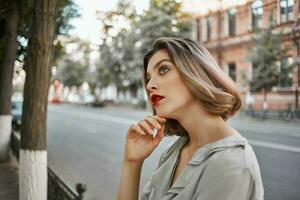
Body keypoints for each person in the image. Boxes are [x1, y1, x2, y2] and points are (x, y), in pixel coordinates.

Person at [117, 37, 264, 200]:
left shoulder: (231, 164)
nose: (150, 85)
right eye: (149, 77)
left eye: (163, 69)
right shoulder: (175, 151)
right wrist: (132, 162)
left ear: (195, 72)